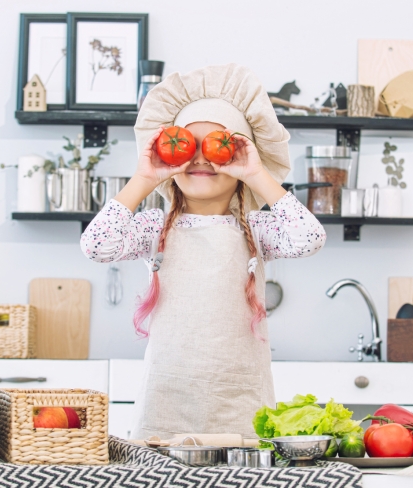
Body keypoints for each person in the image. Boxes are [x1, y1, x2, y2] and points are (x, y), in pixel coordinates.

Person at [81, 64, 326, 440]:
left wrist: (257, 174)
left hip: (240, 403)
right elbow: (96, 245)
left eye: (219, 146)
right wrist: (144, 178)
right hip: (167, 399)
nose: (198, 158)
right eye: (184, 144)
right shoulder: (154, 226)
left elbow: (309, 238)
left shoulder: (258, 230)